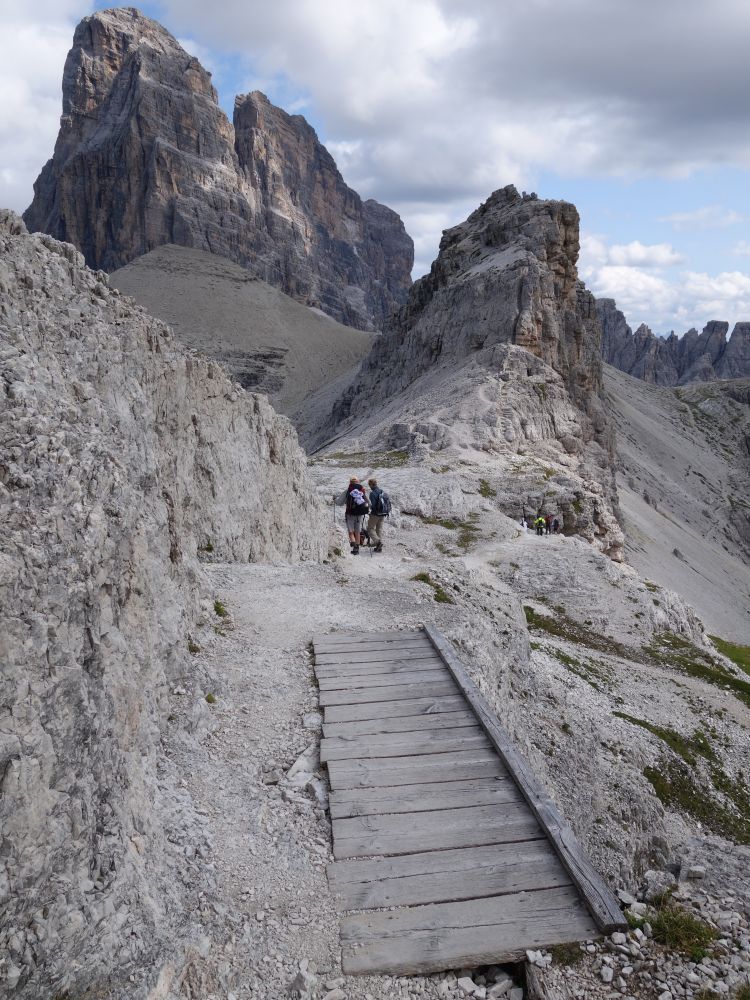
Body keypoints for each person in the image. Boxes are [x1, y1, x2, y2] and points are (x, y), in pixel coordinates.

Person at [334, 477, 369, 554]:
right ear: (358, 482)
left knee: (351, 531)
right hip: (360, 514)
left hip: (349, 514)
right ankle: (357, 548)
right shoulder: (362, 491)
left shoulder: (348, 491)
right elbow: (369, 503)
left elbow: (340, 503)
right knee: (357, 531)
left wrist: (335, 499)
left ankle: (353, 544)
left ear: (350, 482)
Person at [367, 478, 391, 553]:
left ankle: (378, 542)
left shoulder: (372, 493)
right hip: (383, 513)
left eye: (369, 485)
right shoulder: (382, 491)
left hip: (375, 514)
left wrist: (368, 506)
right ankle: (379, 548)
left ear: (371, 484)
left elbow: (373, 506)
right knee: (379, 529)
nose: (369, 486)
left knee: (370, 528)